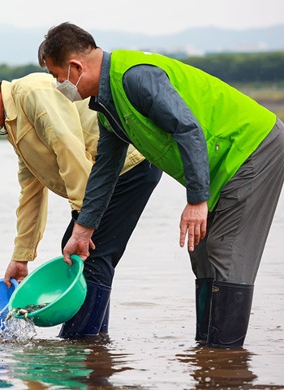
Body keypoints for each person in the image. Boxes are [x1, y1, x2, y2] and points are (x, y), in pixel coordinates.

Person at [43, 22, 284, 348]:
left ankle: (226, 355)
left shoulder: (134, 77)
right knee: (200, 250)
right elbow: (105, 168)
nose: (61, 86)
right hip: (220, 160)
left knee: (225, 251)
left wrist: (197, 201)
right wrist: (82, 231)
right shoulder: (107, 102)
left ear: (75, 67)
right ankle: (209, 355)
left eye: (59, 77)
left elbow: (188, 129)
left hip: (252, 147)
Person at [0, 67, 161, 338]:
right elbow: (31, 191)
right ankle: (92, 339)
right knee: (79, 252)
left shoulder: (32, 93)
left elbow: (69, 149)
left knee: (87, 255)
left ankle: (83, 344)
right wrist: (21, 256)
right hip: (100, 178)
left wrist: (84, 221)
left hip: (127, 167)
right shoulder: (14, 124)